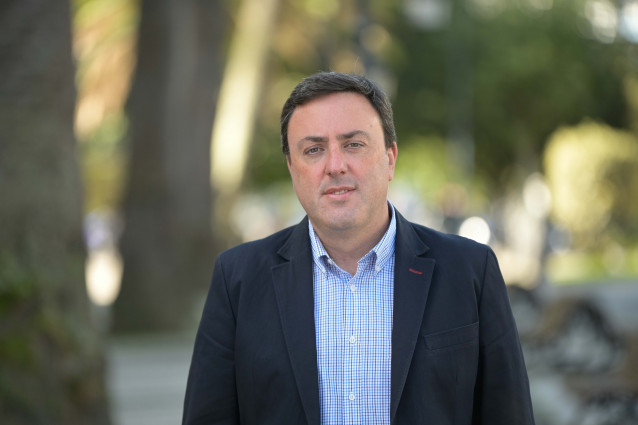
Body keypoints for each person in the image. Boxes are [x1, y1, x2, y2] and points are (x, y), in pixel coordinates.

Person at [183, 72, 535, 425]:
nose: (335, 166)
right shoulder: (238, 280)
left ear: (390, 158)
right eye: (314, 150)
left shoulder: (470, 271)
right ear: (291, 167)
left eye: (353, 144)